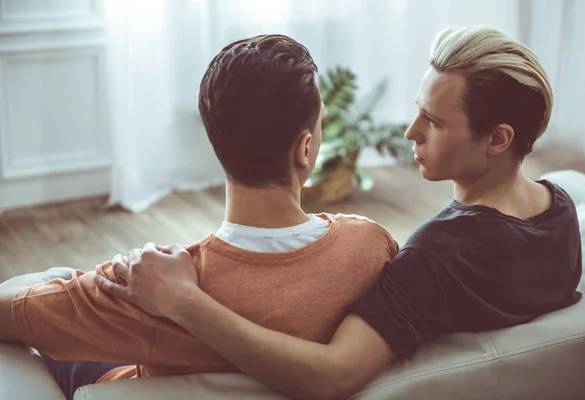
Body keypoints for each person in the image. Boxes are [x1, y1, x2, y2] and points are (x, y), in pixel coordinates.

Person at [95, 26, 583, 400]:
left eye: (433, 122)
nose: (411, 131)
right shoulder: (558, 209)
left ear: (498, 138)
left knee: (79, 368)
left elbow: (333, 374)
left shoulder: (435, 257)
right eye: (418, 111)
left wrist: (185, 301)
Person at [0, 34, 399, 400]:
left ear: (216, 140)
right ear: (306, 147)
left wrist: (52, 282)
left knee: (54, 299)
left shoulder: (148, 288)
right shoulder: (370, 246)